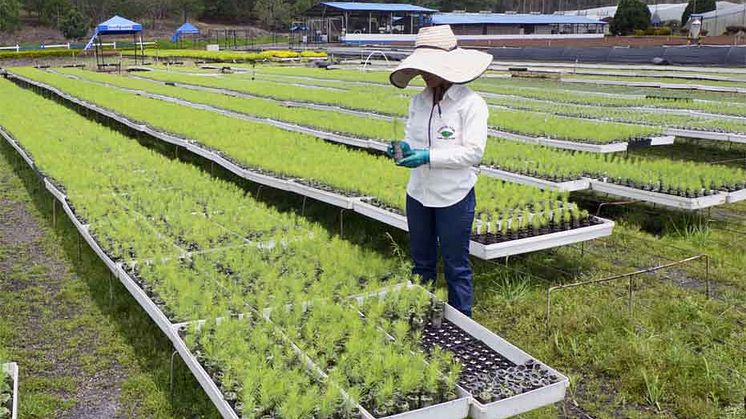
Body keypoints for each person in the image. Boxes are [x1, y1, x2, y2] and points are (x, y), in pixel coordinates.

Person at [386, 25, 492, 317]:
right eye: (422, 69)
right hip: (418, 193)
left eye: (431, 68)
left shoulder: (471, 105)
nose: (425, 75)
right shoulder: (418, 101)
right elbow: (412, 138)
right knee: (421, 263)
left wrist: (428, 156)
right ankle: (420, 314)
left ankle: (463, 327)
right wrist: (405, 149)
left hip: (453, 197)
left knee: (456, 266)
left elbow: (473, 152)